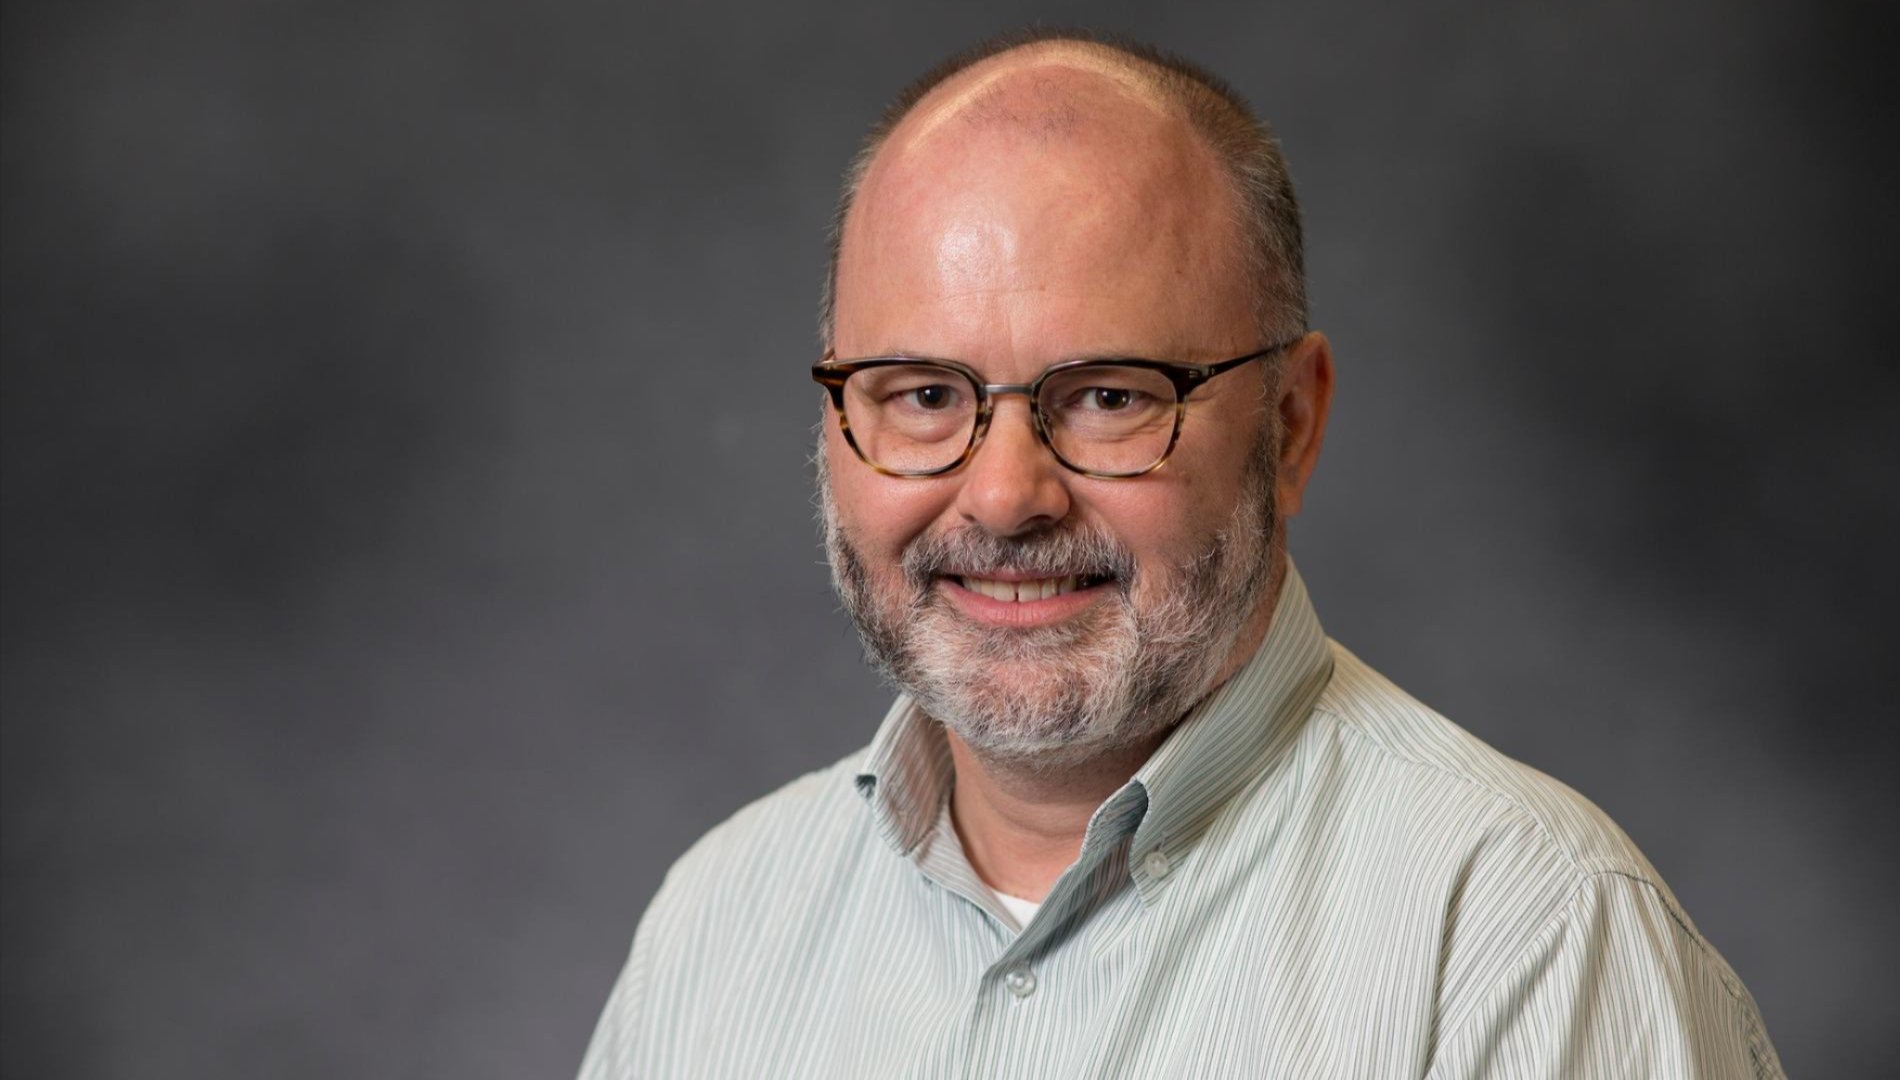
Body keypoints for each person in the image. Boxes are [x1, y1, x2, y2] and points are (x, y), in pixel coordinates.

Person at [579, 30, 1785, 1079]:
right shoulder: (718, 926)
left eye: (1108, 395)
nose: (1004, 497)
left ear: (1291, 426)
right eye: (925, 394)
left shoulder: (1526, 943)